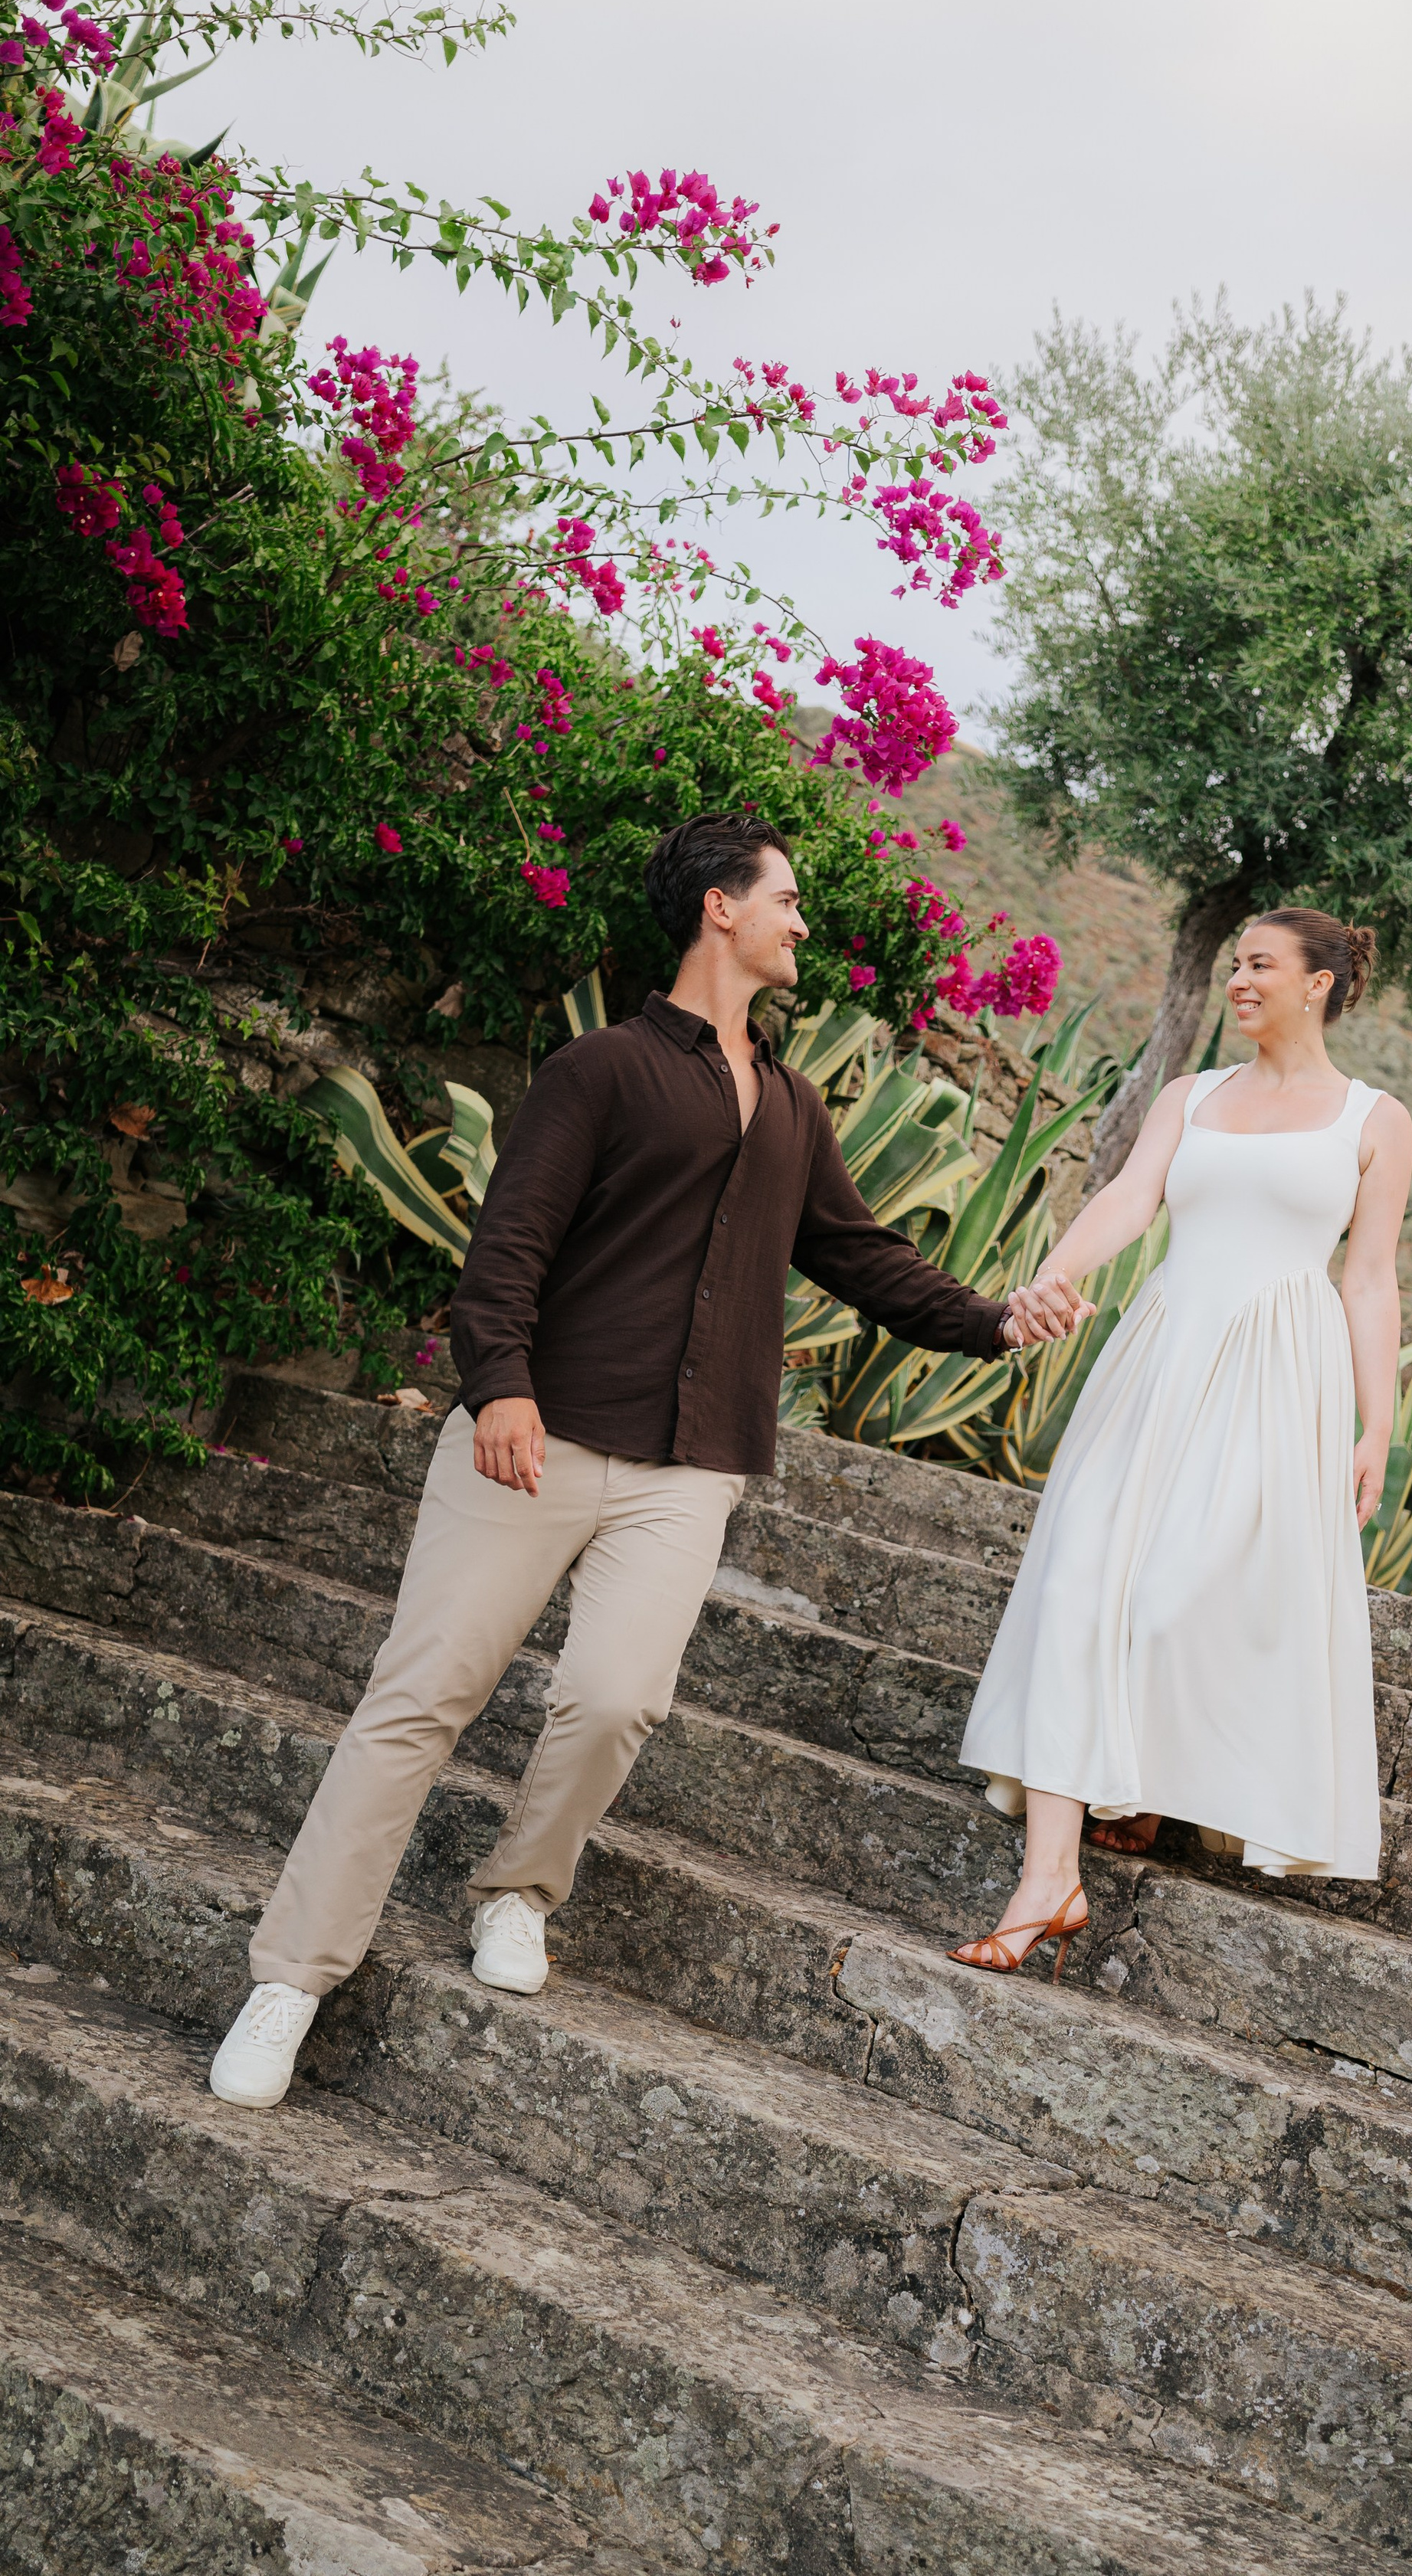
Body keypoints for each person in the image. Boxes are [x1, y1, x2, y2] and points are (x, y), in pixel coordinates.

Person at [210, 810, 1070, 2107]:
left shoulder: (789, 1101)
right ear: (720, 907)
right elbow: (509, 1244)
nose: (799, 920)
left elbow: (860, 1252)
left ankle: (517, 1890)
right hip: (536, 1442)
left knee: (618, 1700)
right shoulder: (599, 1070)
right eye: (784, 898)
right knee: (418, 1704)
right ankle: (290, 1979)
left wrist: (994, 1319)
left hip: (690, 1467)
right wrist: (498, 1384)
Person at [949, 908, 1412, 1979]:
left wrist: (1374, 1424)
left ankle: (1146, 1796)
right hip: (1159, 1355)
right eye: (1234, 964)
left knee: (1168, 1603)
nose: (1240, 981)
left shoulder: (1374, 1120)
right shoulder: (1189, 1096)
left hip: (1278, 1371)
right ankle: (1047, 1878)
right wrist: (1057, 1274)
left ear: (1322, 985)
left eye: (1262, 966)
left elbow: (1370, 1277)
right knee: (1075, 1586)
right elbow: (1130, 1195)